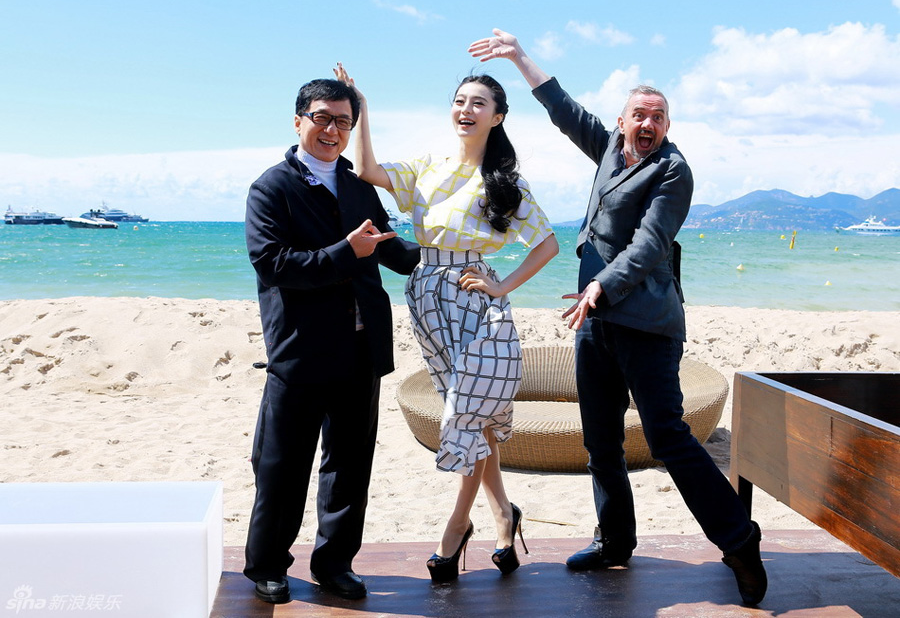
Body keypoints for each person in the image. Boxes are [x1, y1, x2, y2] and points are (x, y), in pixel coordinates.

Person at [469, 29, 768, 606]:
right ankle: (615, 542)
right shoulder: (610, 148)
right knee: (600, 440)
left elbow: (650, 244)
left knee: (668, 438)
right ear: (624, 119)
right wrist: (517, 55)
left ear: (667, 127)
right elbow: (562, 109)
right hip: (594, 321)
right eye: (639, 114)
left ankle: (740, 541)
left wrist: (600, 287)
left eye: (658, 117)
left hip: (647, 325)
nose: (648, 123)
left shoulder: (673, 172)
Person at [335, 63, 559, 582]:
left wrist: (502, 287)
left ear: (498, 117)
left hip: (476, 301)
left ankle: (457, 526)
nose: (466, 109)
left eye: (479, 103)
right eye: (460, 100)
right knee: (472, 414)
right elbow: (367, 168)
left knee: (465, 413)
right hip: (427, 298)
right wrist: (360, 103)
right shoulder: (426, 168)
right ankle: (503, 512)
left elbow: (546, 243)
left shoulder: (505, 182)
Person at [243, 77, 420, 604]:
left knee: (349, 466)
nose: (332, 129)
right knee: (281, 465)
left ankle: (334, 564)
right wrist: (346, 251)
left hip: (361, 348)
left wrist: (441, 258)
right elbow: (272, 264)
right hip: (299, 349)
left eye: (343, 120)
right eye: (322, 117)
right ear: (299, 120)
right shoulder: (272, 187)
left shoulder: (358, 186)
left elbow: (386, 247)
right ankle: (268, 566)